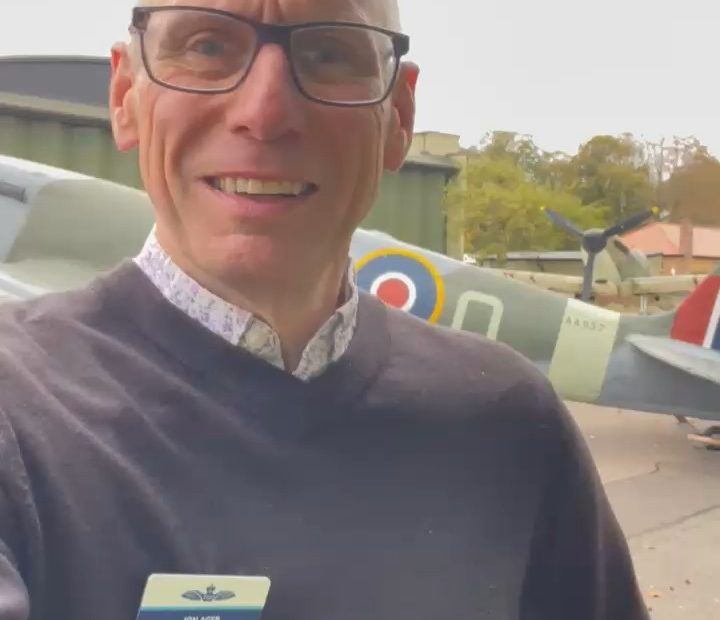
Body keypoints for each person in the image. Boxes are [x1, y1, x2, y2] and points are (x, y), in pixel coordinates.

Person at [0, 1, 650, 619]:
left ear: (399, 116)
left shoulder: (514, 426)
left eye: (331, 54)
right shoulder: (15, 419)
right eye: (206, 46)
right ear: (125, 97)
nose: (265, 112)